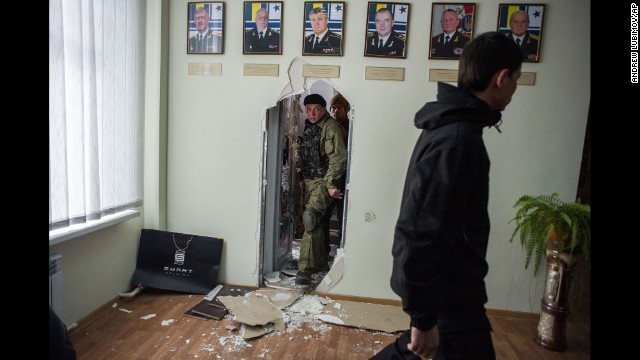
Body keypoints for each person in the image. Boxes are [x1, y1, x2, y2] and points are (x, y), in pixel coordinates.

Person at [372, 31, 523, 360]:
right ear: (502, 78)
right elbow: (418, 231)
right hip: (449, 296)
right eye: (516, 79)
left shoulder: (454, 128)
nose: (514, 88)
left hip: (453, 294)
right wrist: (423, 319)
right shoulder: (457, 139)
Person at [295, 94, 347, 286]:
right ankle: (320, 262)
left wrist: (332, 185)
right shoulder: (310, 127)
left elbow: (338, 158)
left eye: (316, 108)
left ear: (324, 109)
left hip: (324, 182)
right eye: (308, 109)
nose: (312, 113)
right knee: (316, 224)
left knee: (310, 218)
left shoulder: (331, 127)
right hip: (310, 182)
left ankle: (304, 270)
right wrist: (303, 179)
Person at [321, 94, 350, 255]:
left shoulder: (351, 127)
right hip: (329, 180)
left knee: (343, 217)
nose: (335, 111)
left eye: (339, 107)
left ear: (345, 109)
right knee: (324, 217)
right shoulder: (327, 127)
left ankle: (341, 250)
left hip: (345, 181)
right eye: (333, 108)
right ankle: (324, 252)